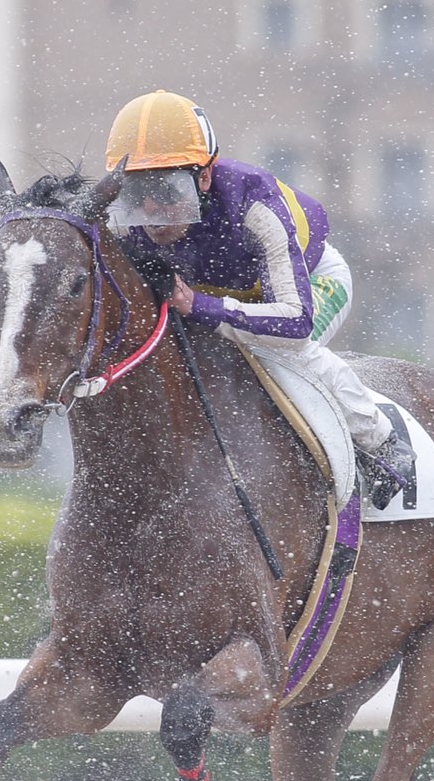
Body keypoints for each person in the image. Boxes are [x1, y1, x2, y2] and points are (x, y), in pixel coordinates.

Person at [104, 89, 416, 508]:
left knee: (281, 353)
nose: (150, 210)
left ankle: (383, 443)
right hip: (213, 299)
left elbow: (294, 322)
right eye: (134, 191)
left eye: (165, 189)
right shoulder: (128, 224)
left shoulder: (252, 202)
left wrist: (200, 306)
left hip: (309, 287)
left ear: (204, 178)